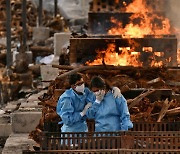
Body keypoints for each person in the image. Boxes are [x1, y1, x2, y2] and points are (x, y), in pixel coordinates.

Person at [56, 73, 121, 133]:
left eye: (82, 83)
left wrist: (113, 89)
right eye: (79, 84)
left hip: (83, 129)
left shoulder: (86, 92)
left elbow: (97, 92)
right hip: (70, 133)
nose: (82, 85)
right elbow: (67, 120)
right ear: (73, 86)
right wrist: (82, 113)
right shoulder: (67, 98)